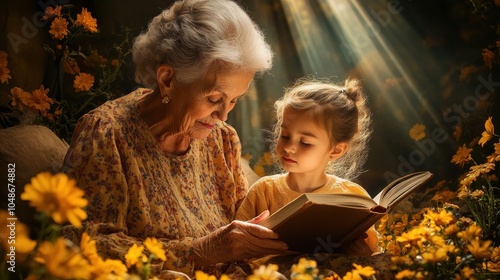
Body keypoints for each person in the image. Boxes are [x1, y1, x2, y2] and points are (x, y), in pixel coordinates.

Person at [60, 0, 289, 278]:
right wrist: (200, 250)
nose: (224, 116)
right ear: (168, 79)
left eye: (234, 101)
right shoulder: (106, 134)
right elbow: (84, 242)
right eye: (214, 99)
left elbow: (240, 239)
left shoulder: (223, 140)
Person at [235, 78, 381, 269]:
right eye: (285, 135)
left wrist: (363, 254)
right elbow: (237, 251)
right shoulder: (264, 191)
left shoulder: (352, 196)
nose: (288, 147)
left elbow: (372, 255)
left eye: (305, 143)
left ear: (336, 150)